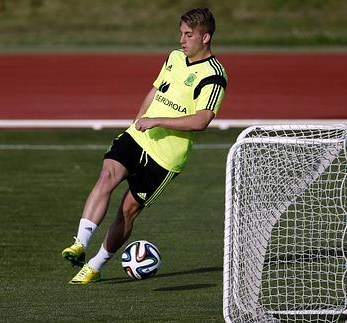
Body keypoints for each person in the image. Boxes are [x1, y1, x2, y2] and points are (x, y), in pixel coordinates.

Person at [62, 7, 228, 284]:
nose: (182, 40)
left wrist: (156, 121)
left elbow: (201, 120)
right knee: (106, 175)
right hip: (138, 136)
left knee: (127, 211)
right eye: (181, 34)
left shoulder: (214, 76)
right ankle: (79, 242)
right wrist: (139, 119)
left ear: (206, 37)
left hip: (165, 158)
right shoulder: (175, 58)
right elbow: (156, 89)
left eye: (188, 35)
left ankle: (94, 265)